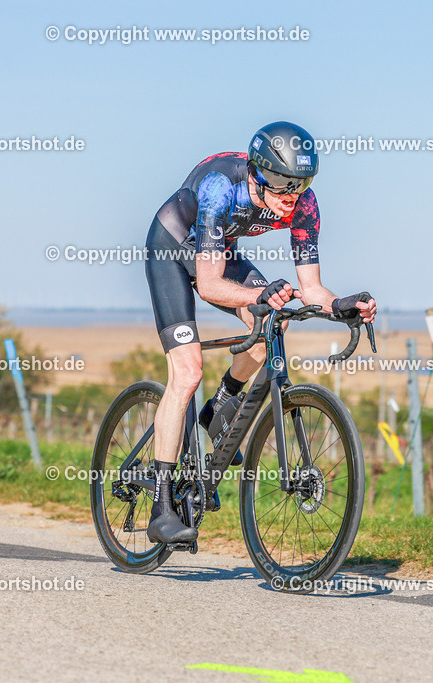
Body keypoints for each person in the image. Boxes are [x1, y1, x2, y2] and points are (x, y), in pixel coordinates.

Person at [143, 121, 376, 543]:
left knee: (274, 318)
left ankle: (221, 404)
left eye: (301, 185)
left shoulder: (304, 204)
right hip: (172, 248)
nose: (292, 197)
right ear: (258, 172)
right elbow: (210, 284)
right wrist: (257, 294)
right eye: (283, 185)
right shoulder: (220, 188)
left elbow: (312, 289)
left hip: (218, 252)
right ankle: (160, 507)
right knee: (188, 371)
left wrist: (342, 305)